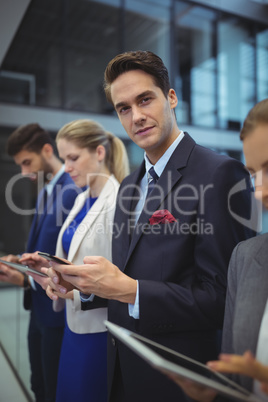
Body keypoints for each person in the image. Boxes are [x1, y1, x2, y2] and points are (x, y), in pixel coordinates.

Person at [45, 50, 256, 402]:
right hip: (122, 373)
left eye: (145, 99)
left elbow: (226, 299)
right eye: (124, 108)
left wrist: (130, 290)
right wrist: (83, 286)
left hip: (180, 381)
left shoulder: (220, 174)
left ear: (171, 97)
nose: (137, 116)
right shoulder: (129, 186)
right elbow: (127, 277)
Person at [21, 119, 130, 402]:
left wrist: (73, 291)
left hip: (99, 331)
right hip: (73, 328)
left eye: (73, 158)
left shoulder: (118, 202)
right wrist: (48, 269)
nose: (66, 167)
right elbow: (74, 261)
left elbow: (119, 277)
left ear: (100, 153)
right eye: (64, 158)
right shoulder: (82, 200)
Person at [169, 98, 268, 401]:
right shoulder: (246, 258)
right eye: (253, 174)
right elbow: (233, 373)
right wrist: (217, 394)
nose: (261, 190)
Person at [0, 123, 78, 402]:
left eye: (27, 162)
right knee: (40, 387)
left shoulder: (71, 191)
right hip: (40, 312)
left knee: (51, 391)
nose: (23, 172)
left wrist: (23, 278)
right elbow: (44, 250)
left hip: (57, 315)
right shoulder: (47, 191)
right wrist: (19, 262)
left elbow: (68, 259)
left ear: (47, 150)